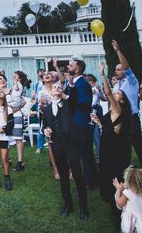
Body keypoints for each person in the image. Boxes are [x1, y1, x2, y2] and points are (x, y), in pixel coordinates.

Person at [42, 82, 89, 220]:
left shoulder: (69, 103)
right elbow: (45, 123)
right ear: (50, 92)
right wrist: (46, 129)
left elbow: (73, 97)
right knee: (63, 176)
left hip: (71, 144)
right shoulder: (47, 109)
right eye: (55, 87)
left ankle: (83, 207)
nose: (57, 88)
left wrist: (72, 86)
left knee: (77, 174)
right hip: (57, 144)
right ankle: (68, 205)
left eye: (60, 87)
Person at [93, 61, 132, 215]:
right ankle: (114, 198)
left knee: (112, 171)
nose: (115, 94)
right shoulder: (112, 111)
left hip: (114, 148)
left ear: (121, 100)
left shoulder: (118, 108)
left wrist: (102, 75)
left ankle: (117, 201)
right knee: (108, 170)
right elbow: (111, 128)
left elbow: (107, 93)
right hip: (109, 143)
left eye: (118, 94)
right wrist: (99, 122)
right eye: (116, 92)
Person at [63, 58, 98, 188]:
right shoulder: (73, 82)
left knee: (86, 153)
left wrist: (68, 98)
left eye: (70, 65)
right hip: (74, 122)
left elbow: (85, 102)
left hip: (82, 122)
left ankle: (90, 181)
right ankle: (88, 177)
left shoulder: (82, 83)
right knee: (81, 152)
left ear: (77, 69)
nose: (68, 67)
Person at [111, 40, 142, 166]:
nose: (116, 71)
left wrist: (118, 51)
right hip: (120, 118)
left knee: (138, 145)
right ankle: (126, 170)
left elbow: (127, 67)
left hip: (132, 118)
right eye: (115, 69)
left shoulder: (131, 81)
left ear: (124, 71)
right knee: (122, 145)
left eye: (119, 69)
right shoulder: (117, 85)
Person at [10, 71, 30, 171]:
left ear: (20, 79)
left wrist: (15, 82)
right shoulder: (14, 86)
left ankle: (20, 162)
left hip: (17, 115)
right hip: (11, 114)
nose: (14, 76)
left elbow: (20, 97)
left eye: (16, 75)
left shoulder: (18, 85)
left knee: (18, 138)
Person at [114, 167, 142, 232]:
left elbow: (119, 204)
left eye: (125, 180)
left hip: (131, 222)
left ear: (129, 183)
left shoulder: (127, 193)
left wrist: (118, 189)